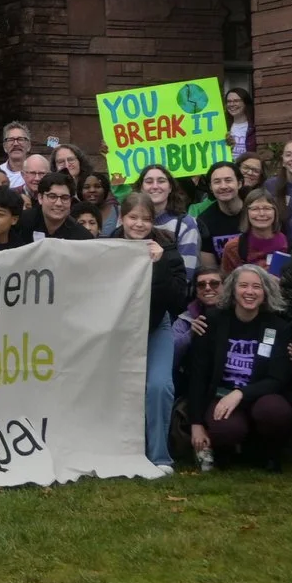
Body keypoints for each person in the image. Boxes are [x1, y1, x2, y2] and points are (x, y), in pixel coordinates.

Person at [183, 262, 292, 471]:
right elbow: (198, 376)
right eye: (243, 285)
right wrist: (196, 424)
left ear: (265, 292)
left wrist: (240, 394)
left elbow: (277, 379)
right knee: (226, 430)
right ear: (233, 290)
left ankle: (268, 453)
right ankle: (231, 450)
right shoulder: (211, 322)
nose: (250, 292)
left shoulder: (278, 327)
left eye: (257, 287)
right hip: (220, 395)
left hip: (259, 395)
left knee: (275, 411)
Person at [117, 195, 191, 469]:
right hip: (117, 330)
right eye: (133, 217)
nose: (139, 224)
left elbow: (177, 300)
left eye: (146, 219)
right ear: (122, 218)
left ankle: (159, 456)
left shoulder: (168, 248)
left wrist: (158, 264)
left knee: (159, 386)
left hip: (156, 324)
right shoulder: (105, 246)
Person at [215, 188, 288, 274]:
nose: (261, 213)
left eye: (267, 208)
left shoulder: (285, 241)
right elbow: (227, 282)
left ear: (275, 212)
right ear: (246, 213)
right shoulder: (233, 248)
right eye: (255, 209)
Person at [192, 162, 248, 255]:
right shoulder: (204, 221)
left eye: (228, 180)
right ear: (210, 187)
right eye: (217, 182)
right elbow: (209, 266)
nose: (223, 186)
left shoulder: (256, 212)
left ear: (239, 183)